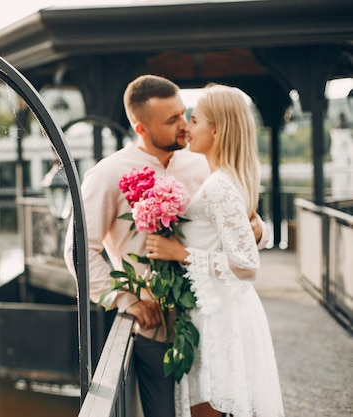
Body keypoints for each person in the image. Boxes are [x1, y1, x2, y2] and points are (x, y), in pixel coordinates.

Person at [63, 74, 270, 417]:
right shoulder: (107, 174)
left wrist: (257, 231)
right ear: (141, 128)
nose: (184, 126)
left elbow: (241, 220)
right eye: (172, 120)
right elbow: (79, 251)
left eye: (184, 114)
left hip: (210, 319)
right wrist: (122, 298)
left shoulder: (203, 163)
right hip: (156, 329)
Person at [144, 84, 284, 417]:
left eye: (195, 120)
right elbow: (242, 233)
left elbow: (247, 265)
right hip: (218, 310)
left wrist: (179, 253)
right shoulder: (225, 178)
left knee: (210, 407)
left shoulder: (220, 185)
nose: (187, 128)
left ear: (216, 129)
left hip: (219, 318)